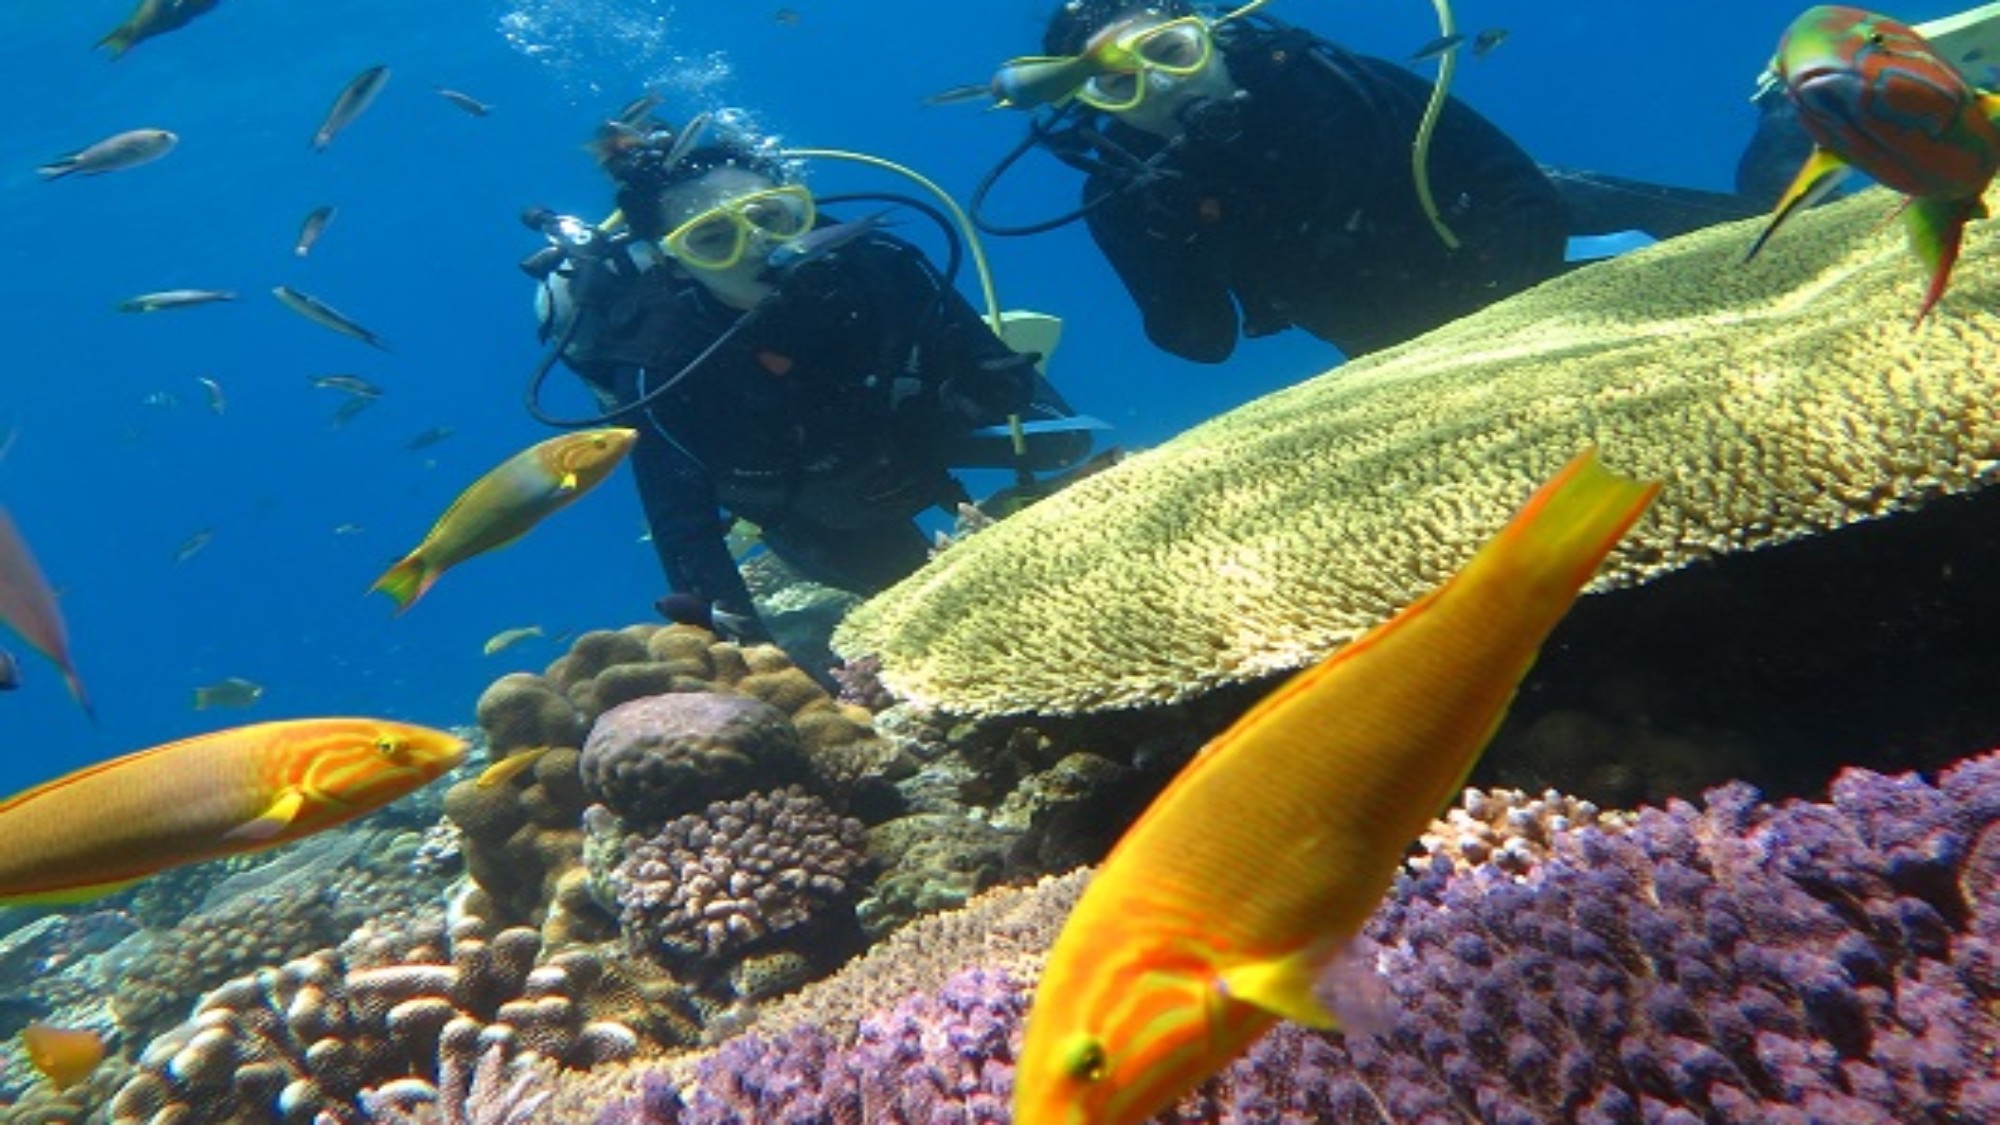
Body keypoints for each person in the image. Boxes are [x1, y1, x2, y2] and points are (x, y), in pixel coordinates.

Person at [527, 114, 1092, 643]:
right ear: (672, 260)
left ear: (802, 211)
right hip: (809, 496)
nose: (759, 246)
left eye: (773, 217)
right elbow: (685, 532)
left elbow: (999, 377)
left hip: (914, 431)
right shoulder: (656, 364)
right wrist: (750, 658)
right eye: (713, 238)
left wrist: (961, 409)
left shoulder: (880, 264)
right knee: (912, 595)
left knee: (1072, 445)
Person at [973, 0, 1762, 362]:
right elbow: (1202, 343)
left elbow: (1511, 185)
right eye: (1119, 87)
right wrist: (1167, 237)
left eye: (1172, 53)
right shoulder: (1124, 194)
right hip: (1401, 348)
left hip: (1566, 237)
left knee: (1770, 232)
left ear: (1210, 38)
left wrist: (1497, 302)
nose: (1165, 89)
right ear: (1089, 106)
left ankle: (1794, 116)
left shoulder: (1330, 82)